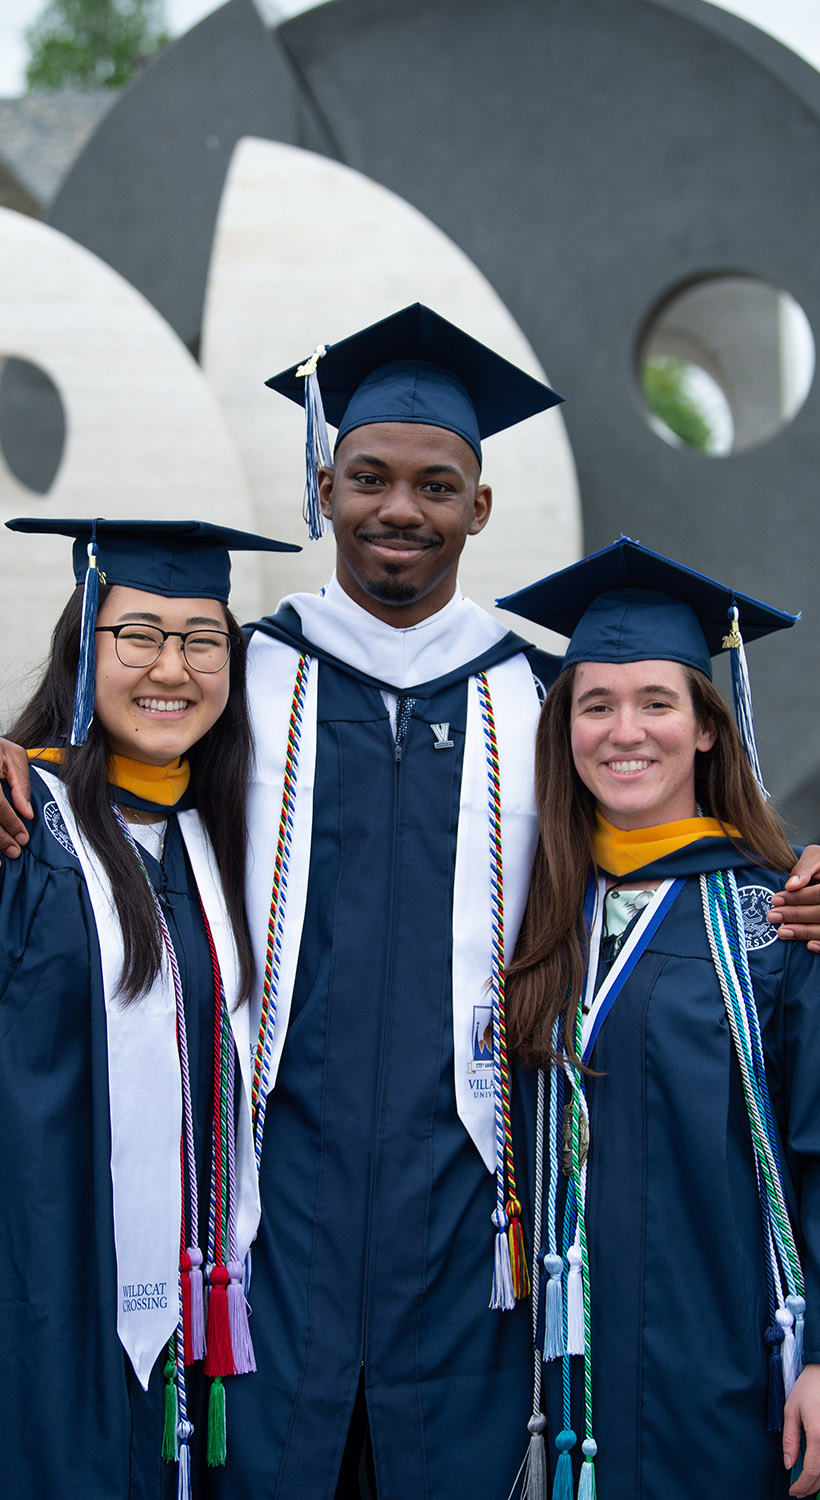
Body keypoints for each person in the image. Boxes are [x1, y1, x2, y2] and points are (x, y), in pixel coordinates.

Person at [1, 309, 820, 1499]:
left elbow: (673, 860)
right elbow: (119, 761)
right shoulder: (246, 680)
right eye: (369, 478)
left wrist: (798, 886)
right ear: (323, 488)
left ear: (477, 509)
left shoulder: (544, 707)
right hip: (270, 1226)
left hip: (476, 1230)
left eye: (437, 484)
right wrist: (16, 762)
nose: (401, 509)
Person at [500, 537, 820, 1500]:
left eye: (657, 703)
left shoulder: (777, 927)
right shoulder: (527, 913)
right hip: (549, 1386)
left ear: (709, 727)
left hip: (724, 1376)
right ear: (565, 728)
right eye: (595, 704)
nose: (624, 731)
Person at [0, 517, 297, 1499]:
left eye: (201, 639)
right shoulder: (20, 829)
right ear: (85, 650)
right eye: (138, 635)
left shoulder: (225, 845)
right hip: (39, 1286)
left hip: (196, 1302)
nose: (171, 667)